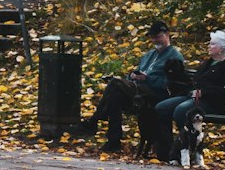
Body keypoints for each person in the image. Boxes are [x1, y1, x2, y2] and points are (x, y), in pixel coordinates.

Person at [77, 20, 185, 153]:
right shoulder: (149, 55)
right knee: (115, 96)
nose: (155, 40)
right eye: (152, 37)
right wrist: (133, 76)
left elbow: (170, 84)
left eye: (158, 36)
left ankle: (94, 121)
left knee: (115, 83)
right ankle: (114, 141)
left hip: (154, 94)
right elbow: (135, 72)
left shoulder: (175, 56)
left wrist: (147, 78)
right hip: (137, 89)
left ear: (167, 35)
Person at [154, 28, 225, 169]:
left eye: (212, 44)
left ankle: (187, 149)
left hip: (211, 103)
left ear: (221, 48)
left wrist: (204, 93)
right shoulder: (209, 62)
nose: (209, 46)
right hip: (193, 97)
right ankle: (168, 151)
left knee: (181, 110)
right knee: (162, 107)